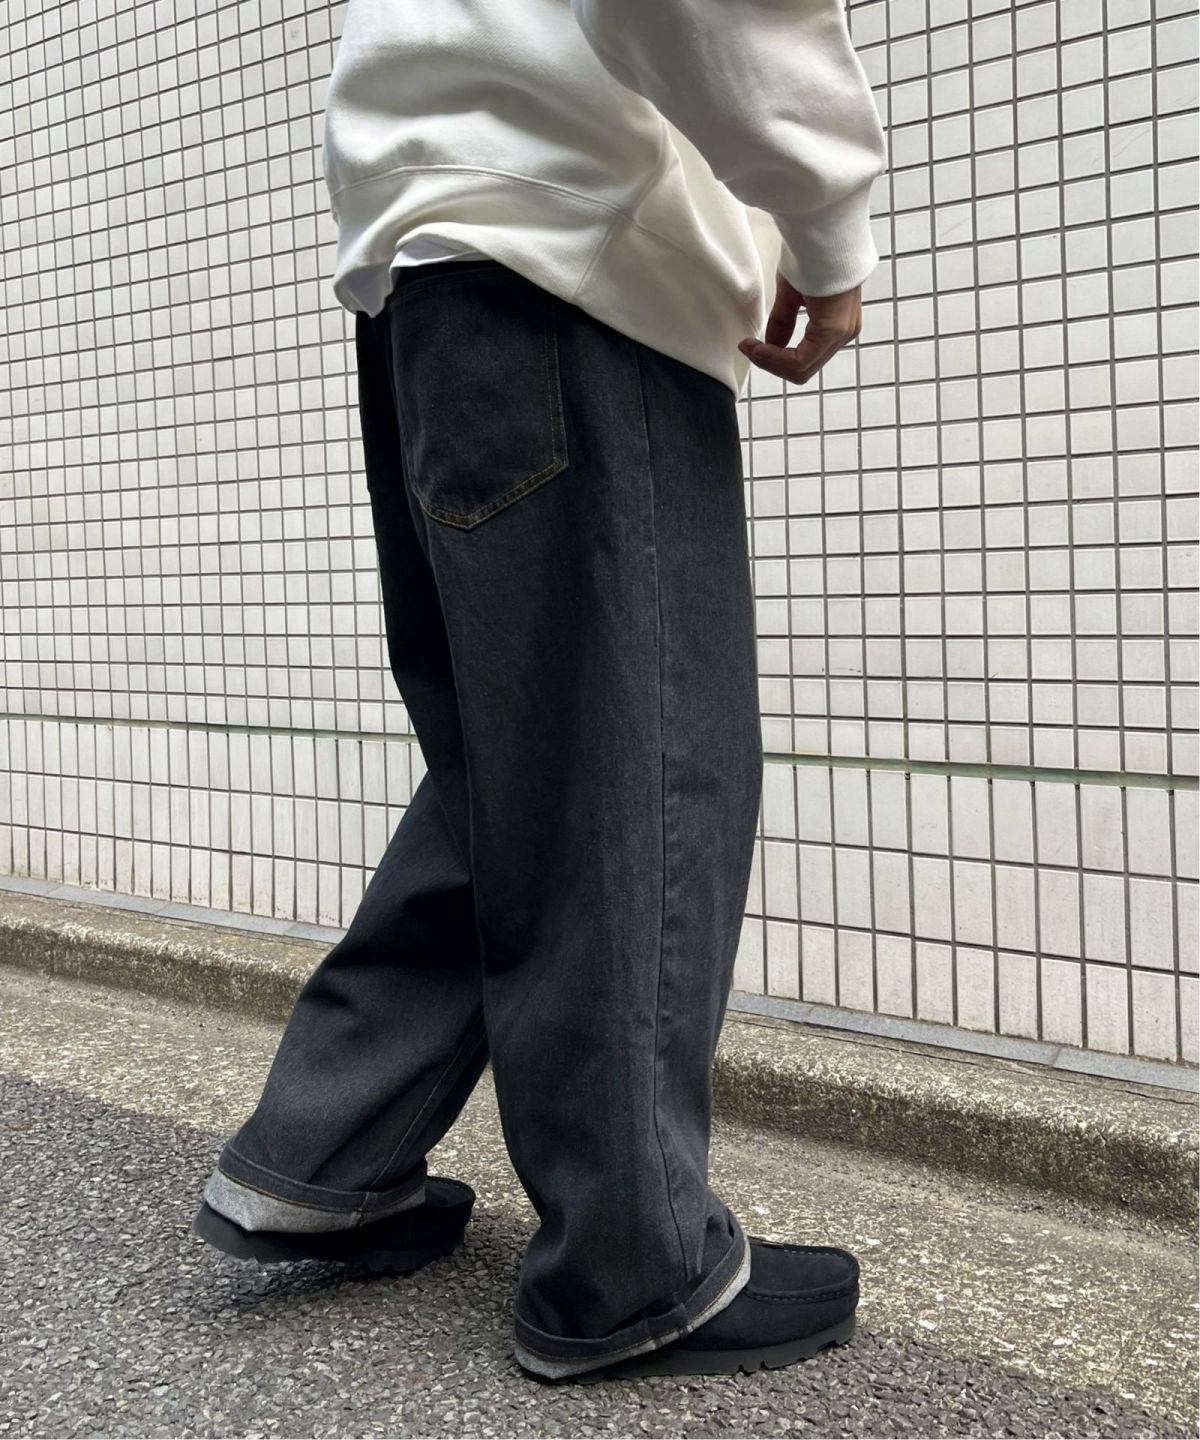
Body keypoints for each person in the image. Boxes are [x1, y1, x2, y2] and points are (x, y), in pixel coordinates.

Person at [193, 0, 887, 1384]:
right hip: (573, 285)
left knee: (512, 772)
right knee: (643, 770)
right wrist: (826, 229)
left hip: (436, 282)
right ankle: (634, 1270)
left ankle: (325, 1154)